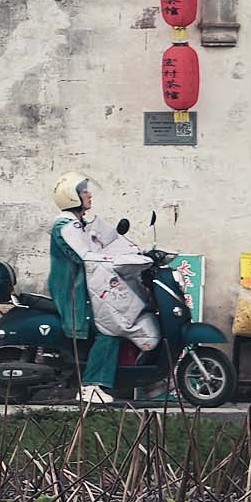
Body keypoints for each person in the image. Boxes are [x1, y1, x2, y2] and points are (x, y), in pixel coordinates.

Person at [43, 171, 153, 404]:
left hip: (92, 288)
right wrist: (119, 261)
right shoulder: (66, 225)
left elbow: (106, 243)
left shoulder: (81, 223)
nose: (89, 195)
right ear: (72, 197)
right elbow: (85, 256)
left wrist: (135, 252)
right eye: (83, 191)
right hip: (75, 291)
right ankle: (90, 386)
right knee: (110, 328)